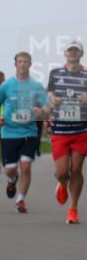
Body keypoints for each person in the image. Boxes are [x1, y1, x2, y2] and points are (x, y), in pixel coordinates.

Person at [0, 52, 48, 214]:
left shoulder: (36, 86)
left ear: (30, 64)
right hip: (9, 132)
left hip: (29, 132)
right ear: (15, 64)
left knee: (25, 165)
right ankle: (12, 180)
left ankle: (21, 200)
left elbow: (47, 106)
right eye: (20, 61)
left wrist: (41, 111)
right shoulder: (7, 85)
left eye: (26, 61)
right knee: (10, 169)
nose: (23, 64)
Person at [44, 39, 87, 225]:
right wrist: (52, 98)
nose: (73, 52)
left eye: (76, 50)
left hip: (81, 130)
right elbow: (49, 94)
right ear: (65, 53)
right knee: (62, 172)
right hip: (60, 130)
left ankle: (73, 209)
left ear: (81, 54)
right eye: (70, 50)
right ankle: (62, 183)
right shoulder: (55, 73)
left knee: (76, 169)